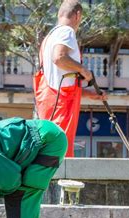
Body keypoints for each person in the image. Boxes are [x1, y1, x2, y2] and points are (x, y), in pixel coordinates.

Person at [34, 0, 107, 157]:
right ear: (78, 15)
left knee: (49, 149)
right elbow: (59, 57)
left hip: (50, 101)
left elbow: (58, 78)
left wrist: (87, 93)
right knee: (60, 151)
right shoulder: (66, 32)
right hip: (61, 105)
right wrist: (84, 70)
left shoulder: (49, 37)